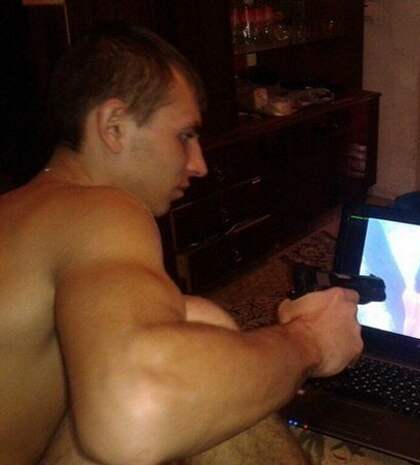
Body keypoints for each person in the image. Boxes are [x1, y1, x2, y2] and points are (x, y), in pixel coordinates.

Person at [0, 24, 362, 465]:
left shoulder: (21, 209)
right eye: (185, 136)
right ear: (114, 127)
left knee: (191, 328)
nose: (199, 164)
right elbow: (137, 410)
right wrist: (309, 340)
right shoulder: (97, 208)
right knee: (198, 350)